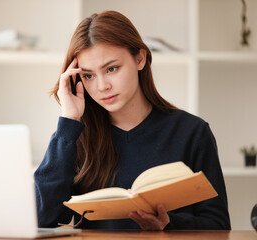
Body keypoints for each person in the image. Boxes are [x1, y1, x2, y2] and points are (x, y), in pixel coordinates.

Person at [34, 10, 231, 230]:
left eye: (112, 69)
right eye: (88, 75)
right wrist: (68, 122)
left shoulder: (192, 132)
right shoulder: (75, 136)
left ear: (140, 58)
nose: (102, 86)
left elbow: (219, 226)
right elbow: (42, 218)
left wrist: (168, 223)